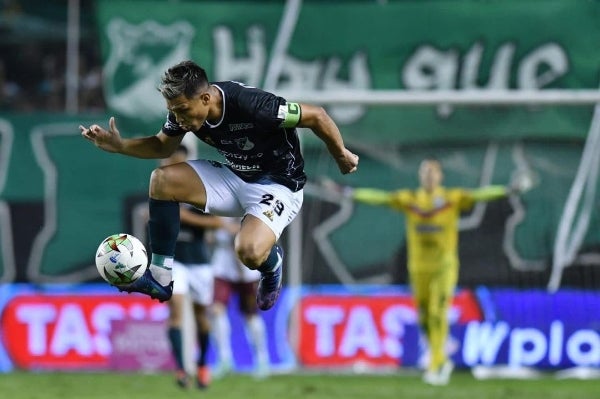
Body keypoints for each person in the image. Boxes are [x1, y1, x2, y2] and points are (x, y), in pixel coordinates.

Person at [80, 60, 359, 311]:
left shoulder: (253, 105)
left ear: (205, 97)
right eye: (173, 112)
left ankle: (272, 266)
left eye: (182, 111)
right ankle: (161, 277)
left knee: (248, 252)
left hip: (278, 185)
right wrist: (120, 146)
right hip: (235, 177)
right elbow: (162, 145)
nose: (178, 119)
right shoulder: (185, 110)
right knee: (162, 180)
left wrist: (341, 155)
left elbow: (316, 116)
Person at [323, 157, 532, 386]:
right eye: (425, 173)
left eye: (433, 173)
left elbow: (480, 195)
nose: (429, 177)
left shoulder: (452, 199)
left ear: (440, 177)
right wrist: (349, 192)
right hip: (419, 268)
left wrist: (509, 190)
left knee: (437, 312)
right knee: (424, 316)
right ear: (421, 177)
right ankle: (439, 355)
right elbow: (380, 198)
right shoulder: (411, 200)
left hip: (444, 266)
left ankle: (437, 363)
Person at [210, 217, 270, 379]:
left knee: (251, 315)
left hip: (247, 269)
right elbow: (211, 231)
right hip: (223, 267)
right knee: (216, 310)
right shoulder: (218, 202)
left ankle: (262, 360)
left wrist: (238, 230)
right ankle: (224, 359)